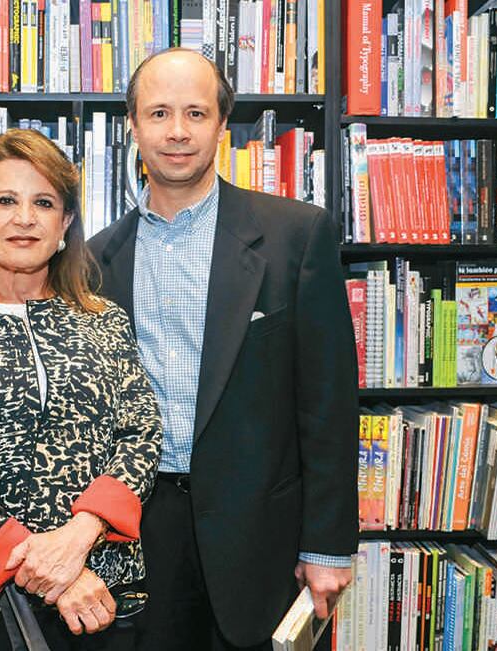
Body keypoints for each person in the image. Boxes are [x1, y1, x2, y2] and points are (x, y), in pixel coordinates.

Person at [87, 48, 359, 650]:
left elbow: (328, 405)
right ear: (132, 126)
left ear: (221, 124)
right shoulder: (95, 259)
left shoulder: (296, 236)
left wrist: (328, 545)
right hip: (136, 535)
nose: (177, 131)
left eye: (195, 112)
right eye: (158, 113)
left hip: (260, 535)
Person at [0, 128, 162, 650]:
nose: (24, 218)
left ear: (64, 223)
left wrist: (79, 539)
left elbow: (142, 437)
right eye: (5, 201)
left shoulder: (103, 321)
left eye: (43, 202)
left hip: (104, 600)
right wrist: (54, 574)